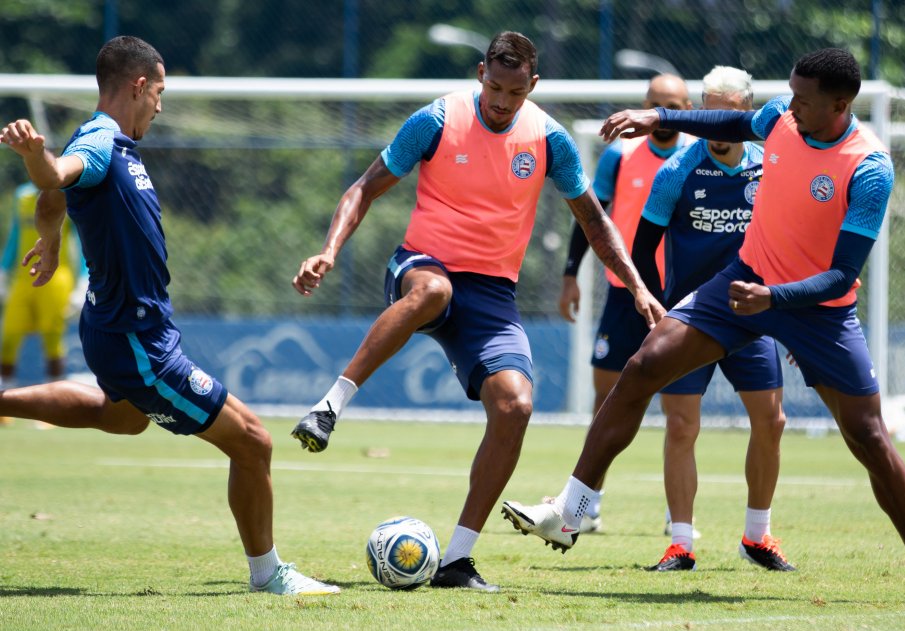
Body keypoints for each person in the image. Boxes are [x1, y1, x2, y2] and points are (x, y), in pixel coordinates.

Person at [502, 48, 905, 608]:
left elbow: (843, 274)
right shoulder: (781, 117)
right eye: (790, 93)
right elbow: (730, 122)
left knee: (868, 437)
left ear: (840, 105)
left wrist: (773, 298)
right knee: (644, 365)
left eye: (803, 100)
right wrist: (661, 117)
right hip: (742, 282)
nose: (789, 107)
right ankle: (570, 511)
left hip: (819, 311)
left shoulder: (869, 166)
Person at [290, 31, 662, 593]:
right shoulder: (436, 121)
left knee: (515, 406)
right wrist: (329, 251)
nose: (502, 101)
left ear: (533, 85)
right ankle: (329, 406)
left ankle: (457, 560)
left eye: (516, 92)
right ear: (480, 73)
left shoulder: (550, 139)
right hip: (422, 265)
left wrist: (636, 286)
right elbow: (364, 188)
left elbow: (594, 220)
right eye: (495, 87)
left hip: (492, 293)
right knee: (433, 293)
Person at [0, 35, 338, 596]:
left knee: (122, 417)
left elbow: (57, 198)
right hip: (137, 338)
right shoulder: (100, 141)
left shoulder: (107, 144)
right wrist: (37, 157)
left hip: (120, 326)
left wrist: (53, 238)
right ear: (139, 86)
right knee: (254, 442)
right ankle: (269, 575)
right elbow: (55, 178)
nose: (160, 105)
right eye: (159, 92)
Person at [630, 66, 788, 572]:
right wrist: (655, 306)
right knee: (681, 426)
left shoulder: (770, 167)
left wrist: (791, 311)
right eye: (710, 112)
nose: (718, 124)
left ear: (746, 115)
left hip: (750, 318)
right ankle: (680, 543)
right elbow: (643, 247)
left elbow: (790, 242)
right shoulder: (676, 171)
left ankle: (757, 537)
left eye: (729, 115)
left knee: (772, 421)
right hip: (691, 319)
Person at [557, 73, 692, 534]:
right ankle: (587, 505)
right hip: (625, 294)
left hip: (680, 298)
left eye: (671, 105)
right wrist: (570, 275)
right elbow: (590, 217)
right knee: (607, 399)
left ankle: (679, 517)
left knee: (680, 410)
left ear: (687, 110)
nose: (661, 112)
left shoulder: (698, 155)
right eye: (654, 102)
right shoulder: (620, 154)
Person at [0, 182, 86, 394]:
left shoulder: (68, 195)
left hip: (57, 277)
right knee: (9, 334)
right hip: (23, 277)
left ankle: (55, 397)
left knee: (52, 337)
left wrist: (84, 280)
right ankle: (5, 397)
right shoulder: (22, 195)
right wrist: (3, 271)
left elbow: (80, 240)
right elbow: (16, 235)